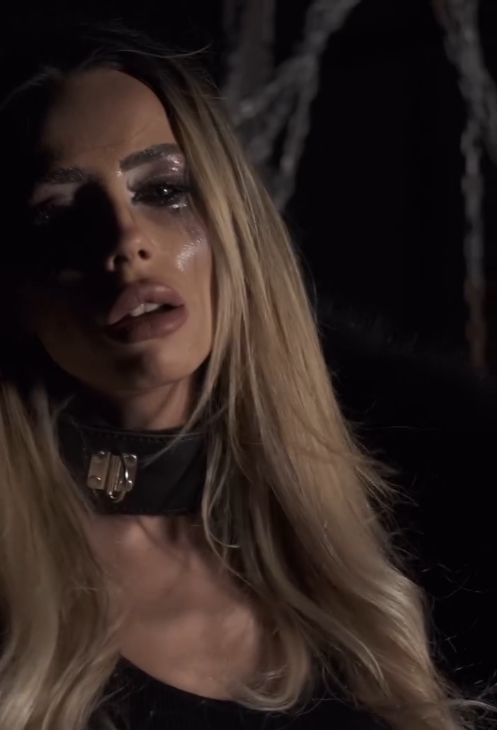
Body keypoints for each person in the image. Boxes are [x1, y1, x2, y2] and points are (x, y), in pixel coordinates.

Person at [0, 19, 489, 730]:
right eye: (59, 212)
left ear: (233, 228)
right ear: (14, 290)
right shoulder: (17, 603)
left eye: (164, 190)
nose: (127, 240)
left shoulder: (356, 548)